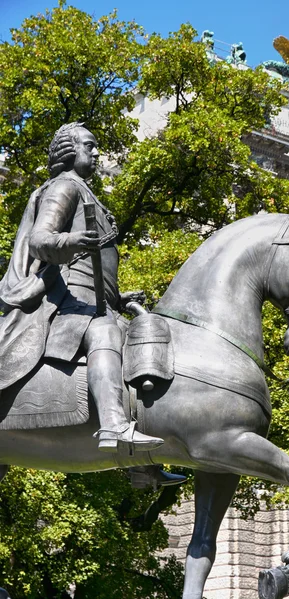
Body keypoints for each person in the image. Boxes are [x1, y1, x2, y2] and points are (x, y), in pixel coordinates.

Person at [0, 122, 162, 453]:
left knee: (145, 345)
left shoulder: (88, 193)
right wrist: (74, 240)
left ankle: (144, 464)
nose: (97, 152)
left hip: (94, 303)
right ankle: (113, 426)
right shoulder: (65, 187)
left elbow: (95, 273)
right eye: (89, 146)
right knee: (104, 333)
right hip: (67, 305)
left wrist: (119, 296)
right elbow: (39, 240)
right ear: (71, 151)